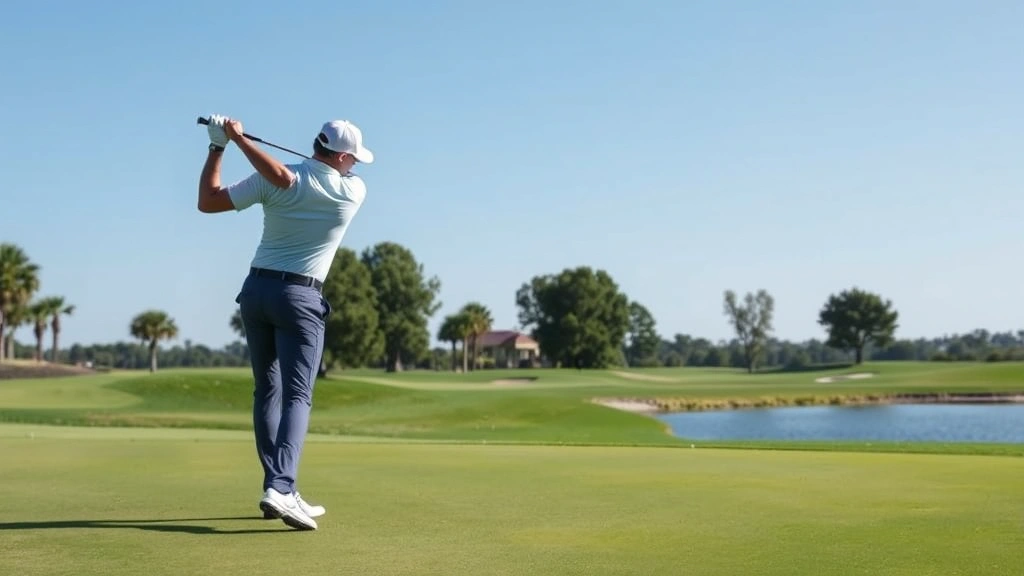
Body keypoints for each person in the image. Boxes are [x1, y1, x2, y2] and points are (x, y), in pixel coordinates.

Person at [196, 113, 374, 531]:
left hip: (256, 292)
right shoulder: (351, 189)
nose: (357, 168)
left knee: (268, 392)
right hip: (299, 297)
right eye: (355, 159)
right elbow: (281, 177)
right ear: (342, 156)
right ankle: (280, 485)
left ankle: (281, 488)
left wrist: (220, 145)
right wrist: (236, 142)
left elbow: (209, 200)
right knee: (297, 395)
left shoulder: (288, 180)